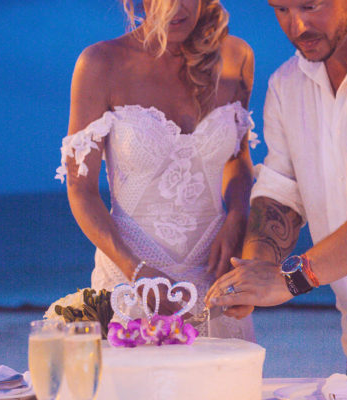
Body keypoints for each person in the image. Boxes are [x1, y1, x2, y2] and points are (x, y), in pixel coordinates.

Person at [206, 0, 347, 386]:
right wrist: (255, 269)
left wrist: (292, 278)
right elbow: (280, 194)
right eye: (280, 10)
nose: (297, 25)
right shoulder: (286, 84)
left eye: (311, 6)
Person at [55, 0, 257, 340]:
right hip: (128, 279)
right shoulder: (100, 63)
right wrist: (136, 270)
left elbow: (238, 158)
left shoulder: (238, 57)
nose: (177, 8)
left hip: (216, 279)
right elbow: (81, 188)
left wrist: (238, 216)